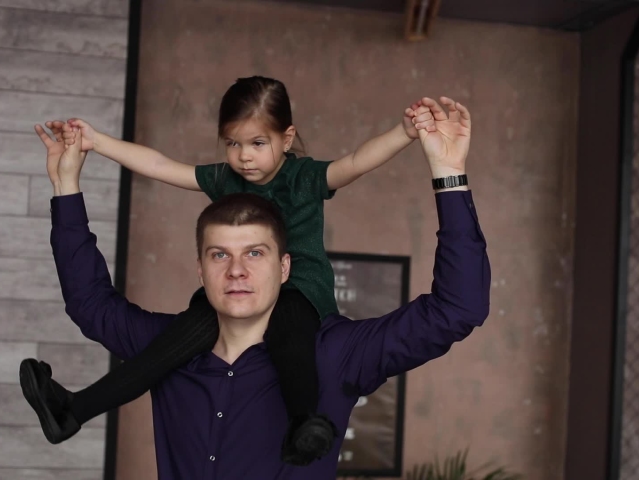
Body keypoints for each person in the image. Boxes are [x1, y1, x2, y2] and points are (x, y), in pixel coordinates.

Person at [27, 94, 488, 479]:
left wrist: (449, 175)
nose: (237, 271)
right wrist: (66, 185)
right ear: (200, 271)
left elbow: (457, 308)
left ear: (285, 267)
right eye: (219, 255)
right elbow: (89, 302)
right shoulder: (163, 350)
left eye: (255, 253)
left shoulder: (335, 354)